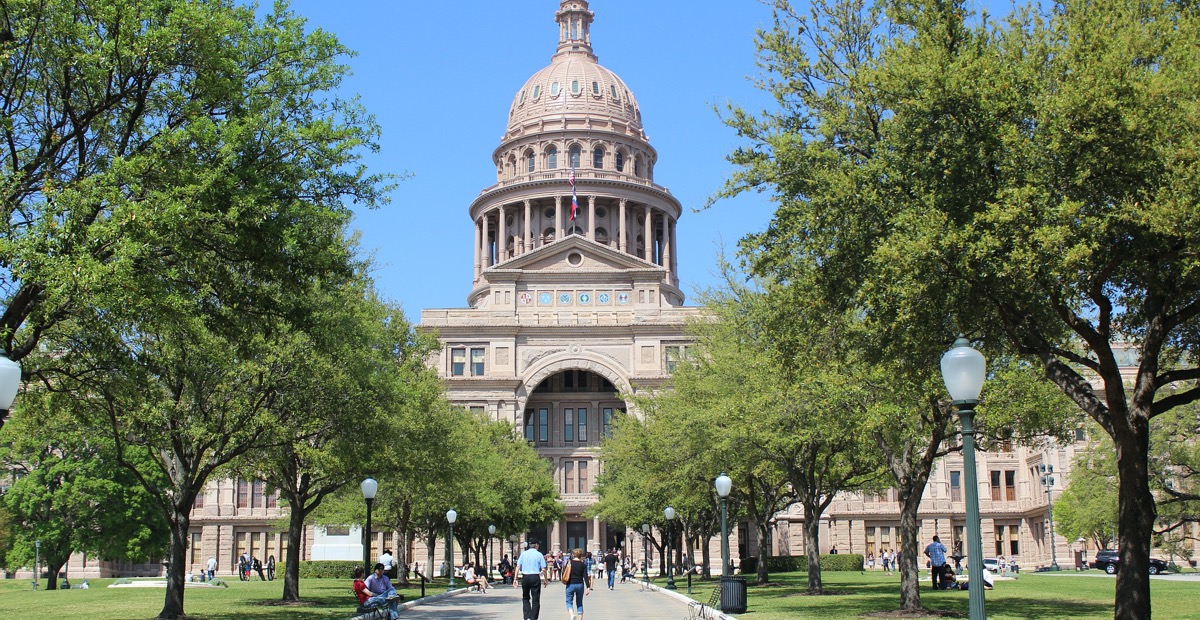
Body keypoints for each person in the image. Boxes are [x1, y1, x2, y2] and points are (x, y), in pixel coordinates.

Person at [518, 542, 548, 620]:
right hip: (535, 577)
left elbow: (518, 566)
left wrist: (515, 578)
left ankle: (527, 616)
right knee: (535, 599)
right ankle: (533, 618)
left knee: (525, 597)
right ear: (536, 545)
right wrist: (546, 579)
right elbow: (544, 569)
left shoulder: (523, 554)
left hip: (525, 577)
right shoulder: (539, 554)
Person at [564, 548, 593, 620]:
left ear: (573, 555)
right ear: (580, 555)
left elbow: (564, 572)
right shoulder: (583, 564)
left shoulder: (569, 562)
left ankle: (571, 614)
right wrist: (588, 587)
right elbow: (585, 576)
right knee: (579, 603)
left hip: (570, 584)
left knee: (569, 601)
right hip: (580, 585)